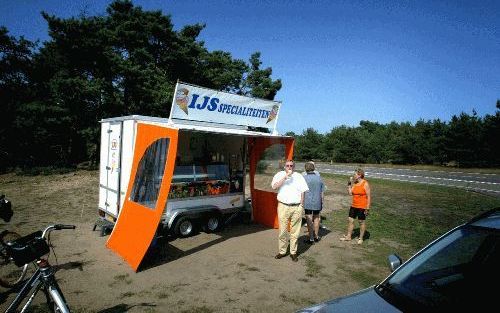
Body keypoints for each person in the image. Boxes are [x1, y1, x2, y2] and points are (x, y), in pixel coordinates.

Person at [271, 159, 309, 262]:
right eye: (287, 166)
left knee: (295, 232)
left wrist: (301, 205)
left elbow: (303, 191)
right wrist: (285, 177)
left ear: (294, 167)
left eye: (291, 166)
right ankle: (282, 251)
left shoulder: (299, 176)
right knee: (282, 231)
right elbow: (274, 187)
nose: (289, 167)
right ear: (284, 167)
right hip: (283, 206)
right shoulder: (279, 175)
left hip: (296, 207)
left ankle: (293, 252)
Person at [340, 168, 371, 244]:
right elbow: (350, 193)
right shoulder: (355, 183)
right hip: (354, 205)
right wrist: (349, 184)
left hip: (362, 206)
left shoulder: (365, 183)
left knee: (361, 222)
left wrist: (367, 208)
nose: (353, 176)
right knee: (350, 220)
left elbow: (369, 196)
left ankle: (361, 238)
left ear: (359, 175)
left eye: (355, 174)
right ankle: (348, 236)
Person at [302, 162, 325, 244]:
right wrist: (322, 201)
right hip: (317, 201)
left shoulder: (303, 178)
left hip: (307, 201)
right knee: (316, 218)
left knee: (308, 218)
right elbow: (322, 192)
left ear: (305, 169)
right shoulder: (319, 178)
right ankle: (316, 236)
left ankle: (311, 237)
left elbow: (302, 191)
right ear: (313, 168)